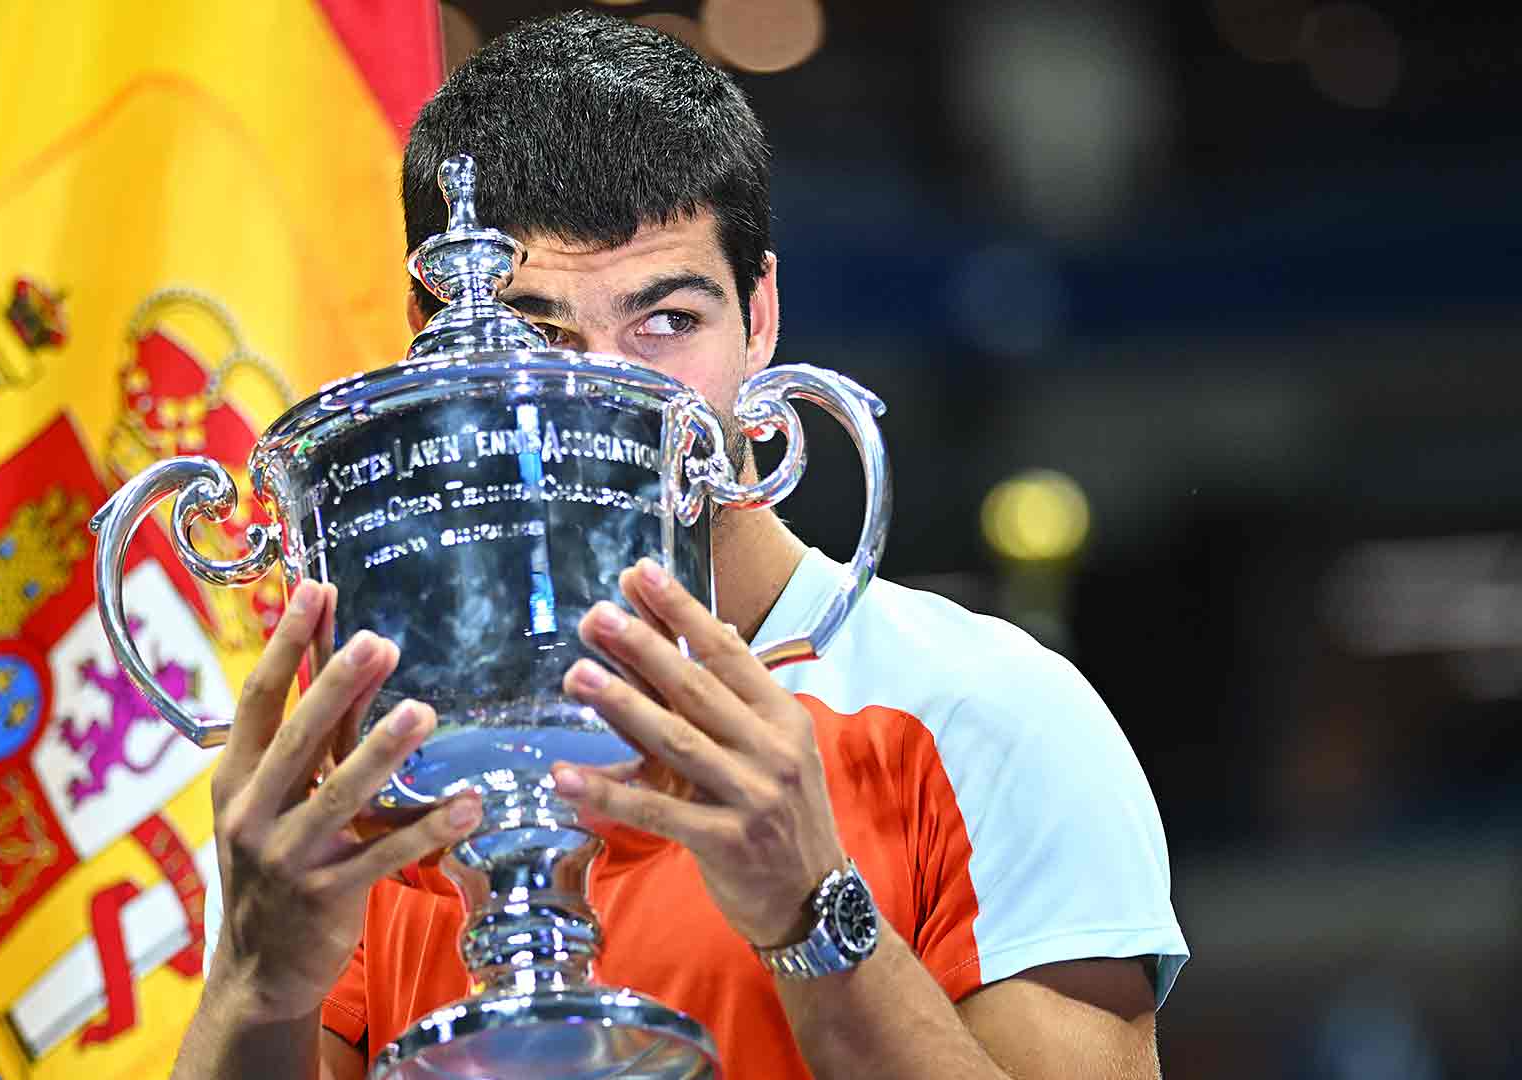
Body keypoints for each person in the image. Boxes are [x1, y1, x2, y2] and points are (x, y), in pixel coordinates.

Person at [177, 11, 1187, 1079]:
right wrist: (257, 982)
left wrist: (815, 916)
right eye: (541, 334)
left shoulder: (990, 716)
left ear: (760, 317)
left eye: (664, 321)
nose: (610, 390)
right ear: (438, 352)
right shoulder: (370, 764)